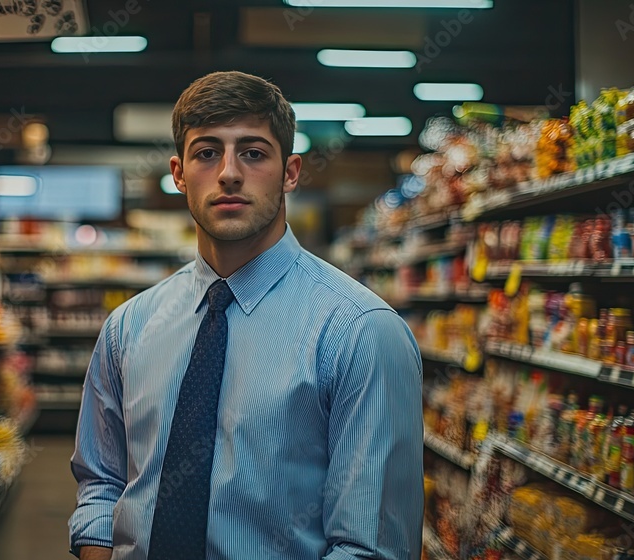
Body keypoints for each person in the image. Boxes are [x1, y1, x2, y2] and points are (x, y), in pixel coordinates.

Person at [68, 71, 423, 560]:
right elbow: (102, 484)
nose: (229, 173)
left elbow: (370, 548)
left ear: (291, 172)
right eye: (207, 152)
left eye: (253, 153)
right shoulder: (127, 329)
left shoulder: (360, 333)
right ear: (178, 173)